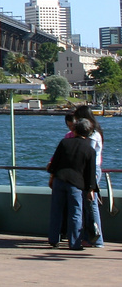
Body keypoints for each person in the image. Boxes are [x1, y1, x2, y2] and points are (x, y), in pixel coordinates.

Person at [47, 118, 100, 250]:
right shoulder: (90, 150)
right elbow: (90, 173)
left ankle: (54, 239)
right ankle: (75, 243)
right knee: (75, 213)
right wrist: (90, 189)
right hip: (76, 184)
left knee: (56, 211)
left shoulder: (65, 143)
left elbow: (55, 163)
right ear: (88, 133)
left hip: (60, 180)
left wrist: (52, 177)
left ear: (75, 130)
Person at [72, 104, 106, 248]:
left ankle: (97, 239)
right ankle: (89, 237)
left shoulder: (93, 135)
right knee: (88, 205)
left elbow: (89, 153)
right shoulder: (95, 132)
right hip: (90, 168)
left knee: (91, 204)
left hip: (91, 169)